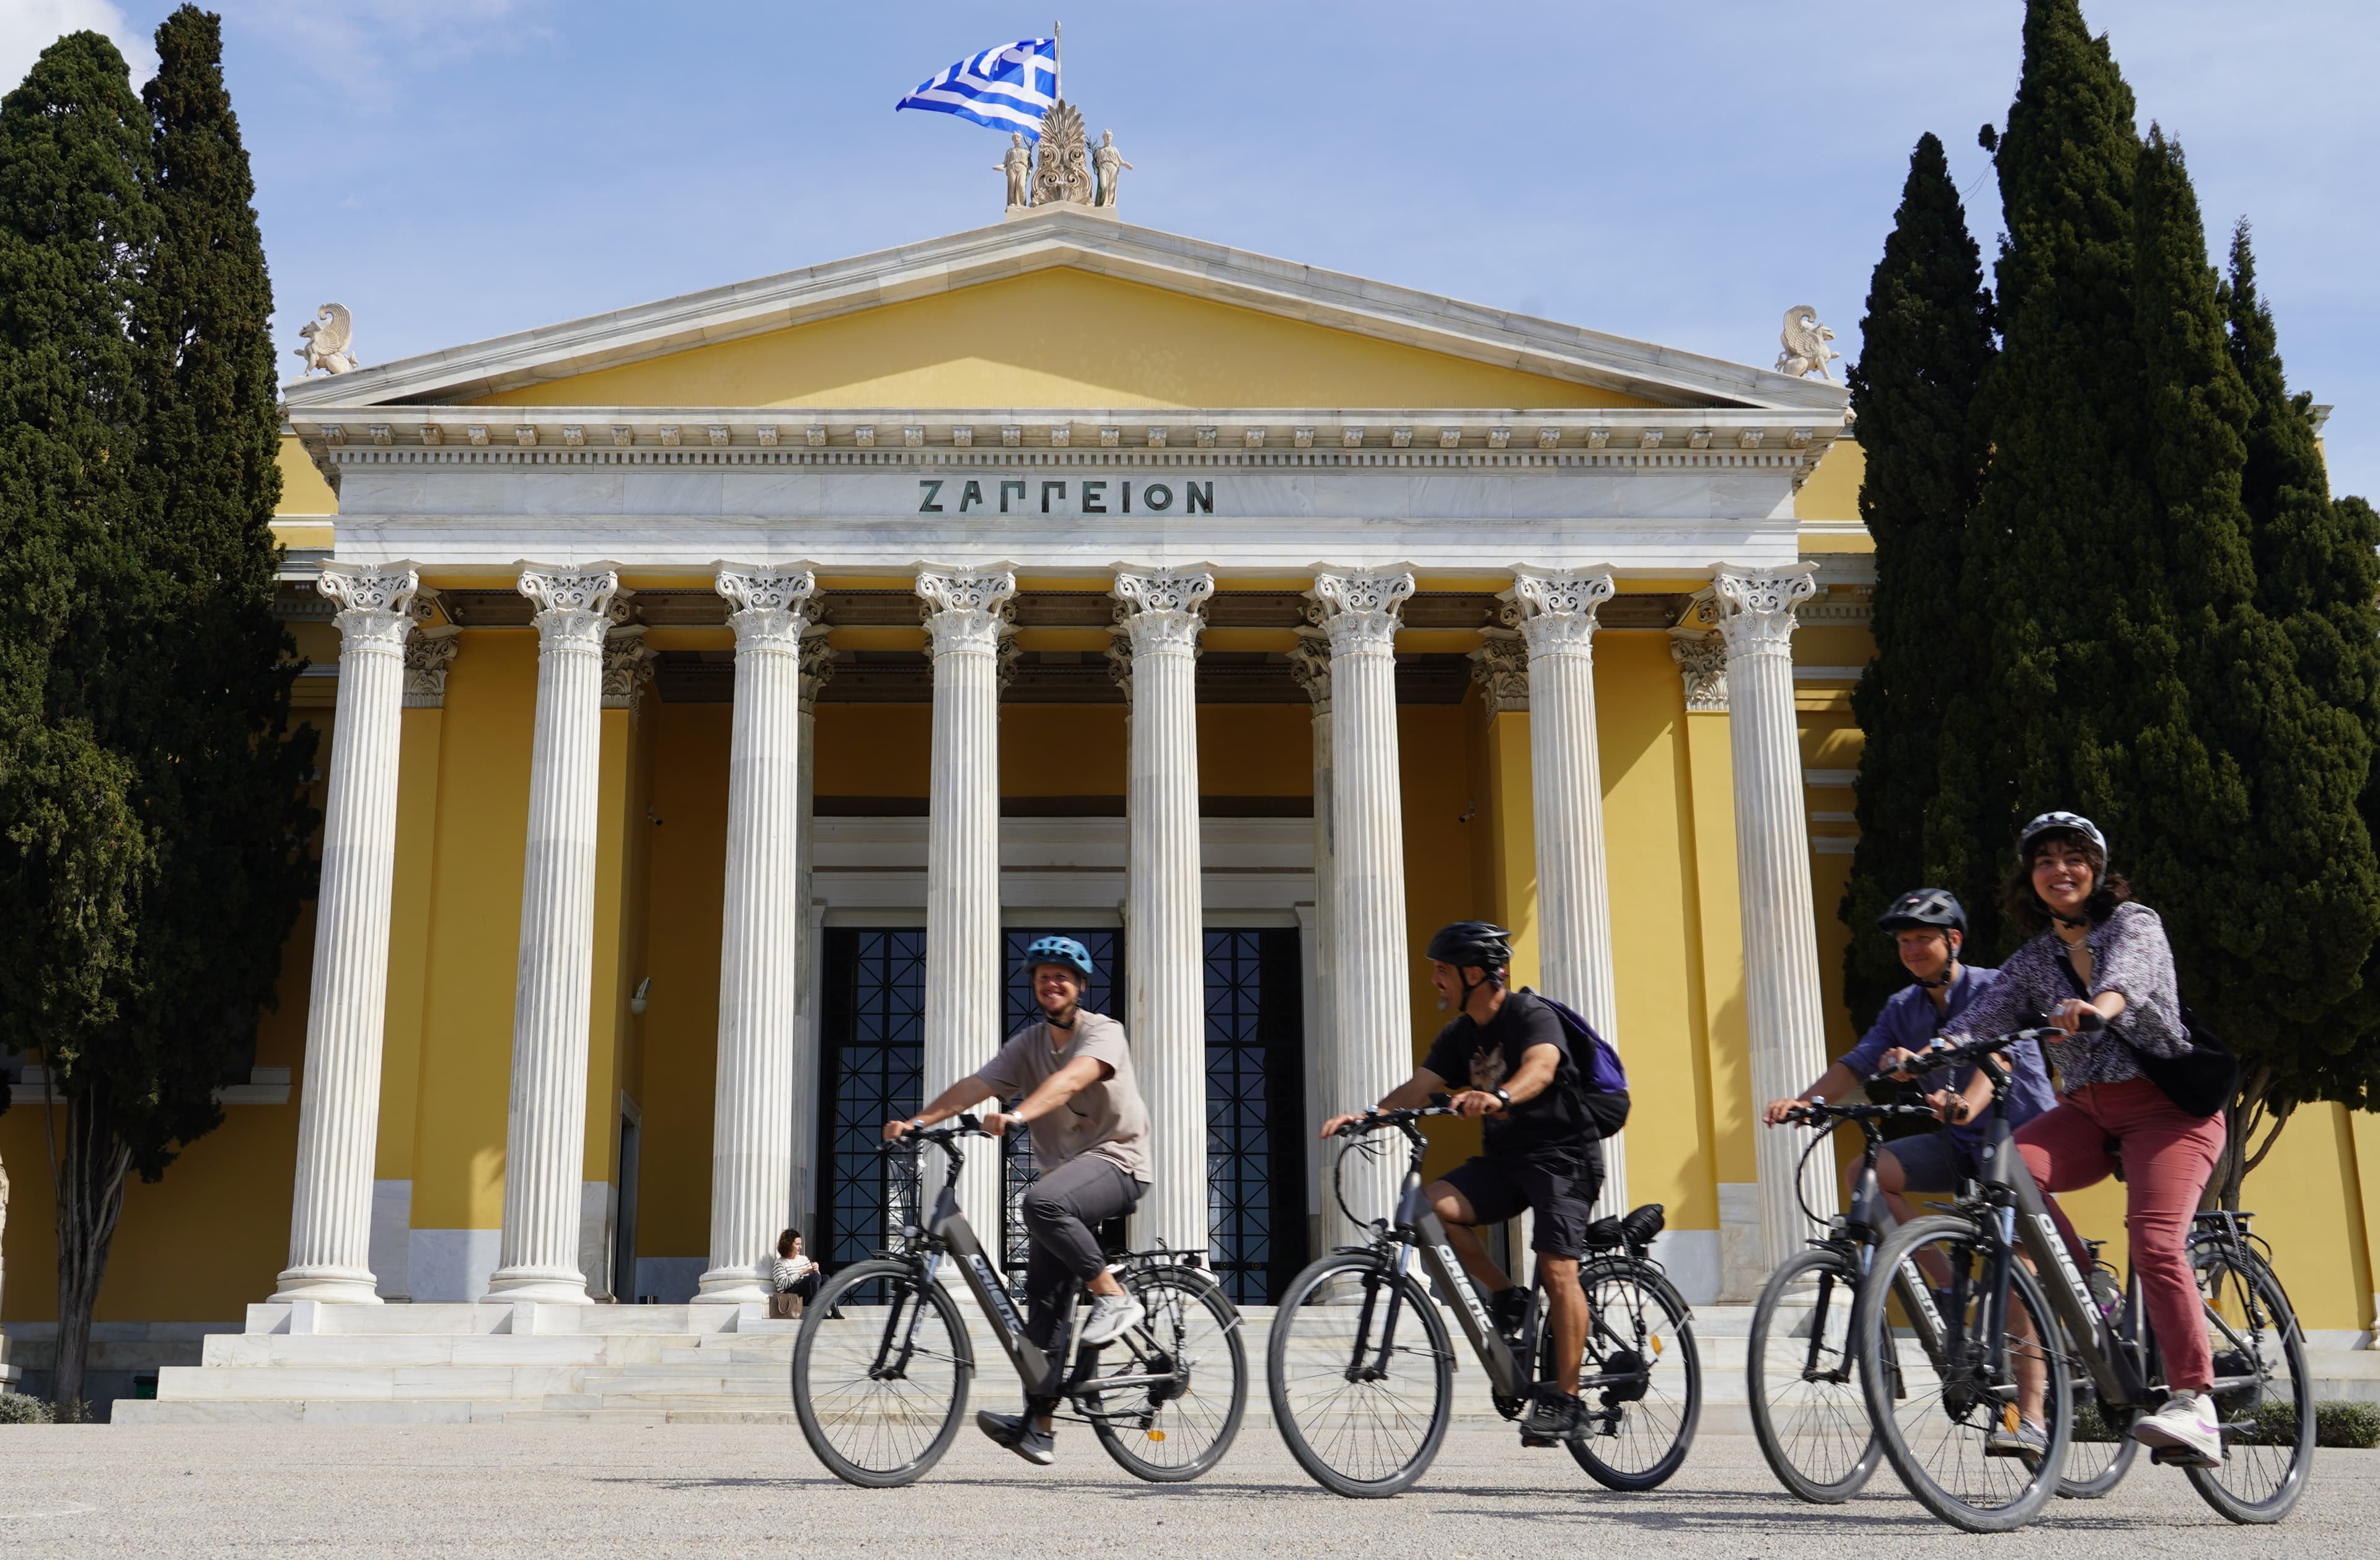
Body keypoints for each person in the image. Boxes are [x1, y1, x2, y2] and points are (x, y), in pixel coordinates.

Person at [1936, 813, 2226, 1467]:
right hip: (2090, 1113)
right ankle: (2087, 1283)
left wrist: (2100, 1005)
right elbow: (1985, 1015)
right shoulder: (2036, 958)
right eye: (2044, 861)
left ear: (2096, 869)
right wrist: (1928, 1051)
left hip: (2168, 1111)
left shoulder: (2134, 923)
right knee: (2004, 1170)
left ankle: (2195, 1402)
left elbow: (2130, 976)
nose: (2059, 870)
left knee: (2154, 1241)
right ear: (2029, 879)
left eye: (2074, 857)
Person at [1320, 921, 1608, 1443]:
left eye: (1441, 969)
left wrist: (1500, 1097)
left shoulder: (1529, 1015)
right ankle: (1508, 1296)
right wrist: (1369, 1115)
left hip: (1563, 1158)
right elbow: (1421, 1085)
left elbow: (1541, 1068)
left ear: (1474, 973)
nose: (1434, 979)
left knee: (1558, 1266)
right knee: (1430, 1208)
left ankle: (1567, 1401)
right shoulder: (1461, 1035)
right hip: (1505, 1160)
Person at [884, 935, 1150, 1466]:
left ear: (1079, 986)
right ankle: (1041, 1428)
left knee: (1041, 1202)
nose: (1051, 984)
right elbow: (977, 1085)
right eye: (1042, 977)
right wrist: (919, 1121)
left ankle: (1114, 1296)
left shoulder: (1104, 1031)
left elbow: (1073, 1078)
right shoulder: (1027, 1044)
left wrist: (1019, 1115)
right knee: (1043, 1313)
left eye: (1062, 977)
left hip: (1119, 1164)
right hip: (1066, 1185)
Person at [1761, 889, 2055, 1230]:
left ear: (1954, 940)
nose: (1912, 950)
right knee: (1864, 1174)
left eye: (1922, 938)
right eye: (1904, 942)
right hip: (1960, 1146)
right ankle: (1939, 1282)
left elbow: (2000, 1058)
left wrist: (1965, 1104)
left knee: (2011, 1276)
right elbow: (1857, 1064)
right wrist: (1804, 1103)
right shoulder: (1901, 1007)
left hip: (2023, 1141)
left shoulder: (1993, 988)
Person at [771, 1228, 819, 1309]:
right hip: (790, 1298)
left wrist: (816, 1270)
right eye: (797, 1244)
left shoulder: (804, 1259)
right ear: (789, 1245)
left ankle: (834, 1310)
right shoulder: (780, 1263)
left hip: (806, 1296)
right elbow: (782, 1285)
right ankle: (818, 1310)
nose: (800, 1247)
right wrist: (801, 1273)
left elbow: (816, 1279)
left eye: (801, 1244)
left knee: (825, 1278)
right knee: (814, 1276)